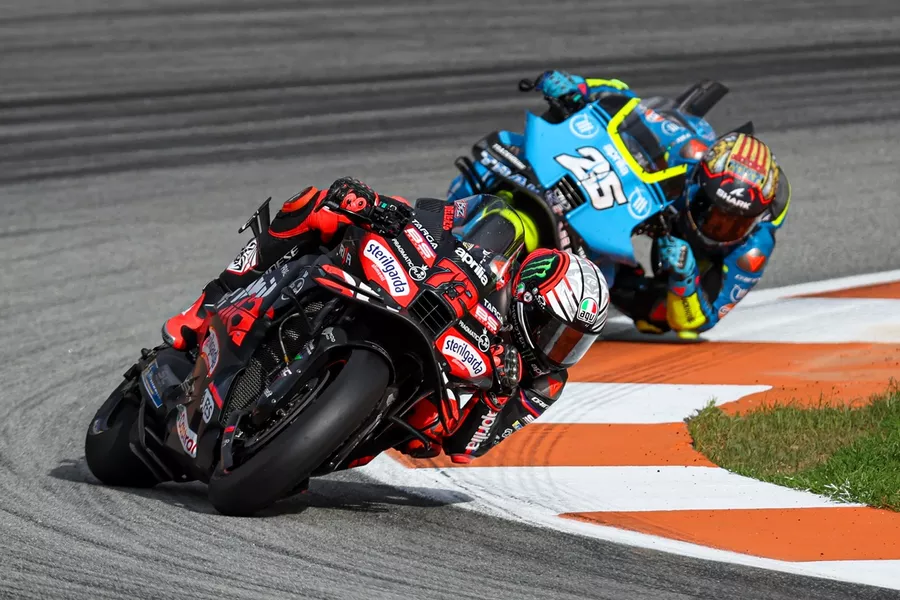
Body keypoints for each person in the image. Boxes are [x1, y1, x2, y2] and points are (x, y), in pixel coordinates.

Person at [163, 177, 610, 464]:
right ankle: (204, 307)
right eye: (558, 333)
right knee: (319, 204)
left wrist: (498, 395)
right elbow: (442, 217)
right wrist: (377, 206)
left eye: (575, 343)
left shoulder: (543, 381)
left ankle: (300, 442)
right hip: (405, 302)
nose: (559, 350)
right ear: (529, 300)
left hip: (404, 411)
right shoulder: (497, 268)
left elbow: (464, 450)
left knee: (424, 436)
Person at [450, 70, 791, 338]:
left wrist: (685, 276)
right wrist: (579, 88)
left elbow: (699, 323)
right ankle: (450, 217)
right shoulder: (691, 151)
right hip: (629, 196)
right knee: (506, 151)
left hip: (687, 263)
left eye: (734, 223)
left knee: (656, 313)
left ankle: (578, 297)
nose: (718, 225)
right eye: (711, 209)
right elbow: (630, 103)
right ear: (700, 182)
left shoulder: (753, 247)